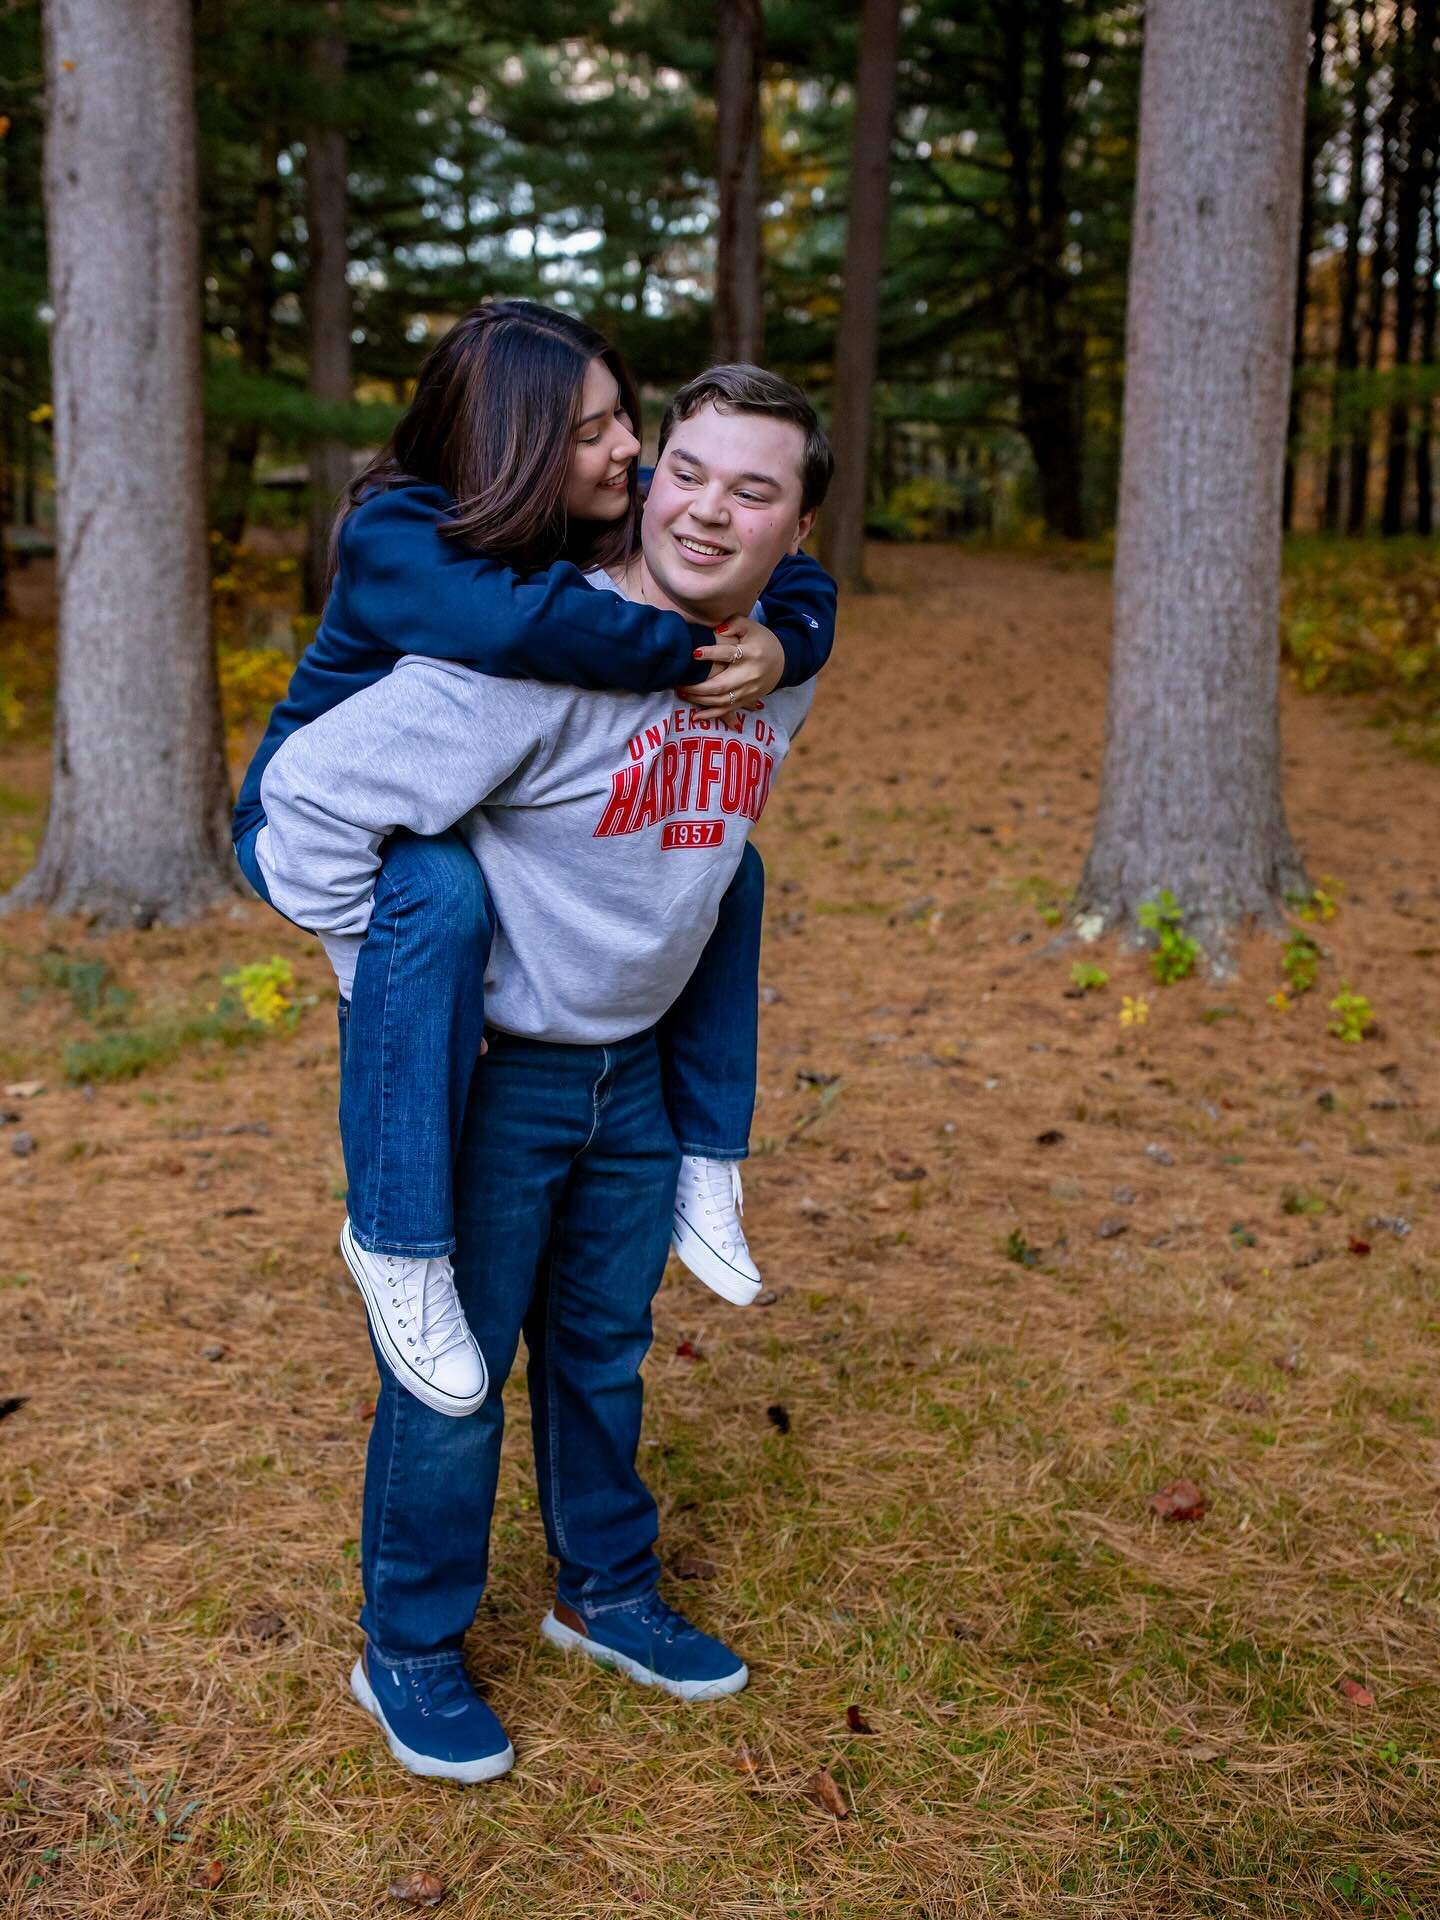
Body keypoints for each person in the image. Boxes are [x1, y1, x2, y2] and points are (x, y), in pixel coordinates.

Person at [255, 364, 832, 1783]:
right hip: (502, 1076)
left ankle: (607, 1591)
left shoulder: (774, 656)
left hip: (634, 1070)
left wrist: (790, 632)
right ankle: (410, 1647)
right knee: (452, 1376)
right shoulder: (529, 659)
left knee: (604, 1350)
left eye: (754, 490)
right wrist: (396, 983)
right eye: (684, 470)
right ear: (647, 476)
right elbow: (305, 812)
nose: (708, 508)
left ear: (797, 525)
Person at [232, 303, 835, 1417]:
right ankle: (399, 1240)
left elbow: (777, 562)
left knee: (729, 869)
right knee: (443, 896)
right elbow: (525, 635)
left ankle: (707, 1146)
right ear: (514, 444)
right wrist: (696, 651)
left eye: (624, 423)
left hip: (425, 804)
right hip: (305, 821)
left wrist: (787, 638)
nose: (632, 456)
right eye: (596, 432)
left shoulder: (583, 509)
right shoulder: (398, 534)